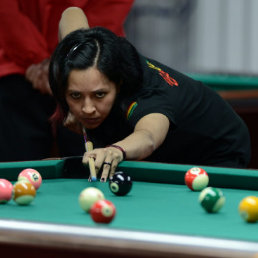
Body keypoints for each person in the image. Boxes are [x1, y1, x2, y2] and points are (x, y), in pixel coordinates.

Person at [49, 7, 251, 182]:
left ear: (118, 84)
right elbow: (71, 13)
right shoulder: (84, 54)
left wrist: (115, 150)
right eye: (76, 96)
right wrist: (70, 105)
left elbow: (148, 137)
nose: (87, 108)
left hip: (217, 149)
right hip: (169, 146)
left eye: (99, 95)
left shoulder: (148, 96)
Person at [0, 0, 134, 161]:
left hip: (92, 71)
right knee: (16, 169)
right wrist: (35, 59)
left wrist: (65, 68)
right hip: (19, 68)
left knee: (94, 163)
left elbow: (106, 15)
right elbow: (6, 12)